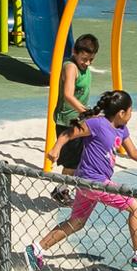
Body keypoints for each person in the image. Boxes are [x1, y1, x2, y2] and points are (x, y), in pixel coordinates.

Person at [23, 90, 137, 271]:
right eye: (131, 111)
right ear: (121, 113)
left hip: (89, 184)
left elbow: (133, 152)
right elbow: (68, 133)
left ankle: (36, 249)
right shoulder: (97, 124)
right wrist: (56, 148)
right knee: (136, 205)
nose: (132, 114)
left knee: (77, 222)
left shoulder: (122, 129)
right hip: (93, 181)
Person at [49, 34, 101, 204]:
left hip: (80, 118)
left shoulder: (84, 67)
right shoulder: (71, 67)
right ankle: (61, 190)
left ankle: (68, 187)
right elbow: (68, 95)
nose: (87, 63)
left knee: (82, 156)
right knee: (71, 162)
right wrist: (86, 112)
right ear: (75, 52)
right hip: (68, 120)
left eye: (91, 59)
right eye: (84, 59)